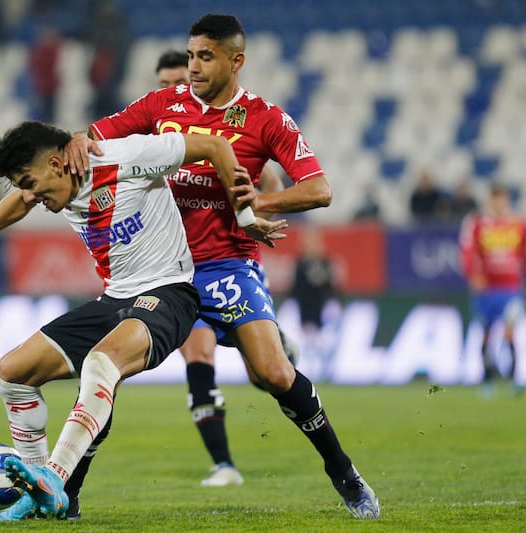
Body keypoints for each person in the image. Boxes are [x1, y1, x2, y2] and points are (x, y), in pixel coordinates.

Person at [64, 14, 380, 520]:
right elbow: (96, 137)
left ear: (237, 61)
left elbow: (319, 189)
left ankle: (343, 472)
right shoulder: (162, 105)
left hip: (227, 265)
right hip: (164, 272)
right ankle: (68, 493)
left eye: (205, 56)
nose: (193, 67)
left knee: (275, 374)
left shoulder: (265, 118)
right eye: (190, 56)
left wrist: (260, 204)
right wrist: (77, 139)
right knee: (107, 372)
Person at [0, 120, 286, 519]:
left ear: (55, 164)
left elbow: (214, 146)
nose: (30, 195)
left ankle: (54, 479)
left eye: (29, 182)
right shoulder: (50, 182)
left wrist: (244, 218)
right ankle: (37, 491)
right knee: (10, 374)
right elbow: (20, 201)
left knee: (100, 364)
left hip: (169, 293)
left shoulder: (127, 156)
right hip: (115, 298)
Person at [153, 49, 299, 488]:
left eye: (177, 81)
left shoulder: (226, 131)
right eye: (163, 84)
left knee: (266, 377)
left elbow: (266, 186)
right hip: (178, 269)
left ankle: (279, 351)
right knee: (197, 356)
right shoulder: (155, 131)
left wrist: (256, 204)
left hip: (229, 264)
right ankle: (224, 465)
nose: (172, 90)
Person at [459, 183, 526, 396]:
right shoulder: (478, 223)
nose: (499, 202)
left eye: (502, 198)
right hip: (487, 288)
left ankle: (514, 378)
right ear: (491, 200)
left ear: (507, 200)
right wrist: (472, 275)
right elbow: (467, 251)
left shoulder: (517, 224)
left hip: (510, 288)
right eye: (495, 198)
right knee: (487, 335)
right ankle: (487, 380)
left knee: (509, 333)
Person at [290, 225, 340, 381]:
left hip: (321, 307)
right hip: (305, 306)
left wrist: (333, 302)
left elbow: (331, 286)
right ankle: (309, 370)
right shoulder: (301, 263)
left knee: (321, 341)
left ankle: (322, 369)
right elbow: (295, 287)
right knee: (307, 341)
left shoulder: (325, 262)